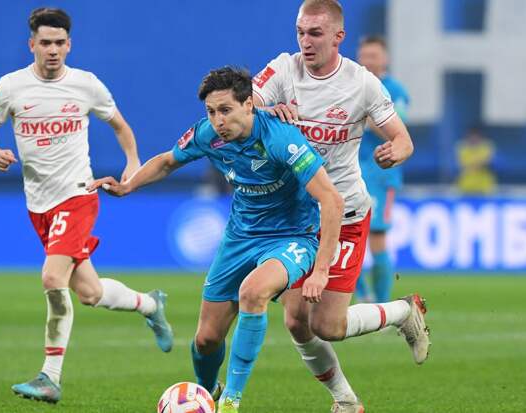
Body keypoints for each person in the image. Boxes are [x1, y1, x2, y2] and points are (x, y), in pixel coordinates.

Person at [89, 66, 344, 413]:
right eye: (211, 111)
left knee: (253, 292)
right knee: (206, 339)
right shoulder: (208, 134)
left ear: (249, 104)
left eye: (225, 110)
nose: (218, 120)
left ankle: (231, 401)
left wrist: (321, 271)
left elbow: (331, 199)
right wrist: (127, 186)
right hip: (240, 237)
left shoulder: (281, 140)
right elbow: (167, 162)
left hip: (291, 236)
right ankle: (208, 393)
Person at [0, 8, 173, 404]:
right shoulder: (11, 87)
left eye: (59, 43)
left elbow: (121, 126)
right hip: (38, 205)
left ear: (69, 45)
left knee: (53, 278)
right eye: (45, 43)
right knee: (89, 293)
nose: (52, 50)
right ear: (32, 45)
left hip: (78, 196)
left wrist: (132, 163)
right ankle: (151, 304)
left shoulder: (86, 85)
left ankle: (50, 377)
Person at [252, 1, 428, 412]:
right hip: (296, 217)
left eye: (315, 33)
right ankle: (346, 401)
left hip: (344, 213)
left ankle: (403, 312)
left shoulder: (362, 83)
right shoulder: (283, 69)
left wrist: (397, 150)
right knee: (295, 320)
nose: (305, 41)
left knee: (328, 325)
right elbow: (245, 104)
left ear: (338, 37)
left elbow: (403, 138)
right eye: (300, 32)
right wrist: (266, 110)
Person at [355, 35, 410, 303]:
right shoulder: (351, 85)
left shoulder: (395, 90)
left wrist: (368, 117)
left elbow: (400, 131)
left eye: (373, 56)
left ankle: (381, 302)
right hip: (350, 171)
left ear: (385, 59)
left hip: (381, 174)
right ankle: (363, 296)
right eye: (364, 55)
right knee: (342, 236)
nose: (368, 61)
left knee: (376, 238)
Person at [455, 127, 497, 194]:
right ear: (468, 137)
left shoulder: (486, 147)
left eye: (476, 137)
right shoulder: (462, 148)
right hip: (466, 185)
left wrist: (477, 163)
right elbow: (464, 164)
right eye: (472, 137)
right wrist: (479, 162)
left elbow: (487, 162)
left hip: (485, 185)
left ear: (480, 137)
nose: (474, 139)